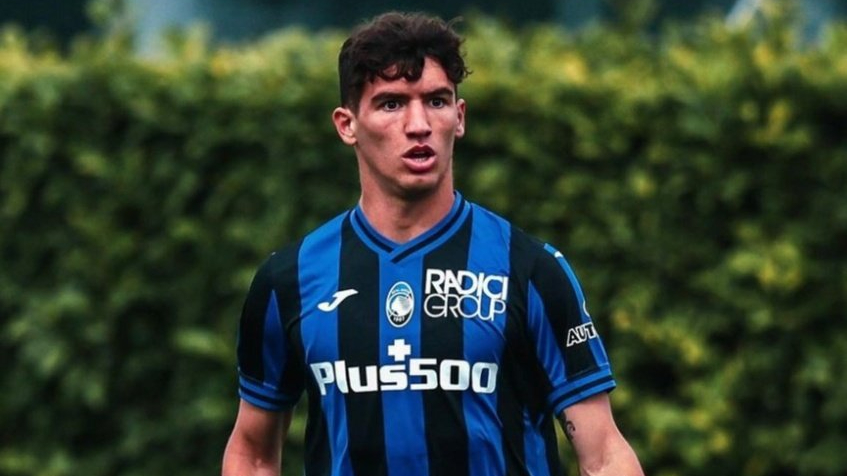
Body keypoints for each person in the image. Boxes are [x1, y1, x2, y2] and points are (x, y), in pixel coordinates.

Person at [222, 11, 644, 476]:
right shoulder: (290, 279)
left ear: (459, 118)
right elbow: (253, 455)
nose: (419, 124)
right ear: (347, 125)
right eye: (391, 104)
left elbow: (604, 456)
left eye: (437, 101)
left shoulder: (530, 270)